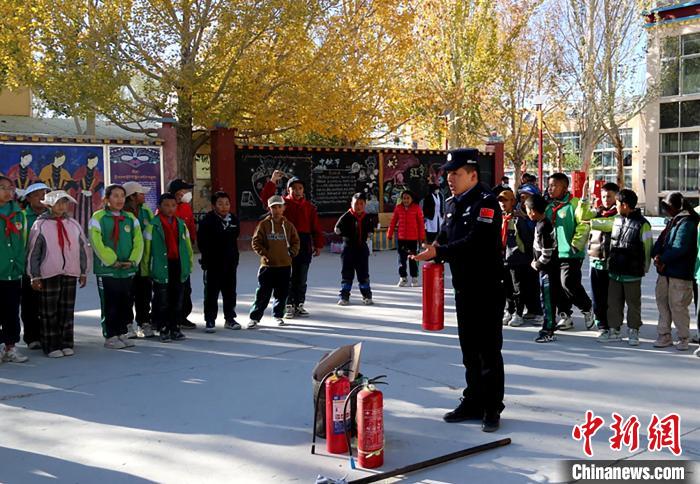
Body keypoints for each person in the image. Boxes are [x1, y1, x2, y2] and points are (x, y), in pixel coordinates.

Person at [412, 148, 505, 432]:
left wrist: (440, 251)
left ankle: (491, 407)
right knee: (469, 349)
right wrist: (433, 250)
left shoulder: (487, 203)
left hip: (487, 288)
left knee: (488, 351)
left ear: (473, 175)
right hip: (464, 288)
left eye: (456, 173)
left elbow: (475, 242)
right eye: (448, 173)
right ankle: (473, 400)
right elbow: (445, 235)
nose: (450, 178)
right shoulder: (453, 204)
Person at [27, 190, 90, 357]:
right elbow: (34, 252)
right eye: (58, 202)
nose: (62, 206)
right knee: (49, 311)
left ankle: (66, 342)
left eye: (65, 202)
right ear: (48, 205)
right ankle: (51, 345)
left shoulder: (73, 224)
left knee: (66, 309)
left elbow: (82, 248)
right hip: (49, 273)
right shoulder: (40, 225)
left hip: (70, 272)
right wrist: (34, 275)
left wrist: (83, 271)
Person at [260, 172, 324, 319]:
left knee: (301, 277)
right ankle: (287, 305)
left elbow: (316, 227)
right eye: (293, 188)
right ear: (288, 190)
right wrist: (273, 181)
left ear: (304, 190)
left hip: (304, 243)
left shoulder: (309, 207)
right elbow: (266, 200)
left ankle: (299, 304)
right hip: (285, 243)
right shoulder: (283, 205)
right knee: (286, 276)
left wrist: (318, 244)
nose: (297, 191)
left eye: (300, 188)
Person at [89, 184, 144, 350]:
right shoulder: (98, 218)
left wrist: (133, 260)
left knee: (125, 301)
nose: (119, 199)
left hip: (127, 269)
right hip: (108, 270)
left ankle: (122, 332)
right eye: (115, 196)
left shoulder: (130, 218)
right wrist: (112, 260)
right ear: (106, 199)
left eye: (122, 196)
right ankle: (110, 335)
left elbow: (138, 241)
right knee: (110, 302)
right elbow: (96, 242)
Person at [601, 189, 653, 346]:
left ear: (624, 205)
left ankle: (633, 330)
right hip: (615, 270)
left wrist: (644, 267)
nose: (615, 206)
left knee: (633, 304)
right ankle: (614, 330)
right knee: (613, 302)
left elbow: (648, 248)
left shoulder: (643, 224)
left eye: (617, 204)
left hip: (633, 272)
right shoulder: (616, 220)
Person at [545, 173, 593, 330]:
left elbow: (584, 224)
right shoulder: (549, 206)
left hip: (571, 253)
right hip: (553, 252)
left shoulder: (574, 204)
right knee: (557, 285)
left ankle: (587, 308)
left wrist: (576, 245)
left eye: (554, 186)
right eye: (549, 185)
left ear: (564, 188)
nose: (550, 189)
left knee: (569, 283)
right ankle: (565, 315)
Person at [651, 192, 698, 351]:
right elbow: (660, 242)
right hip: (665, 273)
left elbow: (680, 248)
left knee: (678, 306)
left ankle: (683, 337)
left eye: (668, 208)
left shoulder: (688, 222)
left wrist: (663, 259)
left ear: (676, 207)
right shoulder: (673, 221)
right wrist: (656, 255)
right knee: (662, 303)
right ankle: (664, 334)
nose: (666, 211)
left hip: (680, 274)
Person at [144, 193, 192, 342]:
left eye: (173, 205)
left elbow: (188, 247)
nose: (170, 208)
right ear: (159, 207)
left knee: (177, 299)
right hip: (161, 266)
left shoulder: (181, 224)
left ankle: (175, 327)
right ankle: (163, 328)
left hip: (178, 265)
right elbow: (146, 250)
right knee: (162, 300)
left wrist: (188, 265)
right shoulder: (152, 226)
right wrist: (146, 269)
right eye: (166, 205)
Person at [248, 195, 300, 328]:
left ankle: (278, 315)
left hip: (284, 265)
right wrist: (265, 254)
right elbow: (255, 242)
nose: (276, 210)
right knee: (262, 293)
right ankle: (254, 318)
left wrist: (292, 253)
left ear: (284, 208)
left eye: (279, 207)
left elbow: (296, 241)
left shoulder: (288, 226)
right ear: (269, 208)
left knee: (281, 294)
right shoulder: (264, 225)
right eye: (273, 207)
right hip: (268, 266)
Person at [197, 191, 240, 333]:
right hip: (213, 263)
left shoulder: (233, 219)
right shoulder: (207, 221)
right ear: (214, 205)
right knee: (211, 293)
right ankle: (210, 319)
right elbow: (202, 242)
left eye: (227, 203)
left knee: (230, 292)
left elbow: (235, 238)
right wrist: (206, 260)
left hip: (230, 263)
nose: (224, 207)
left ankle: (230, 318)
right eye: (220, 204)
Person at [0, 176, 29, 363]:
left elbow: (24, 241)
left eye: (10, 188)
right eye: (2, 188)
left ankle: (11, 347)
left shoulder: (19, 214)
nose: (8, 191)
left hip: (13, 272)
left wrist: (19, 264)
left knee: (11, 311)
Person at [584, 182, 619, 336]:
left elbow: (610, 225)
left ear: (617, 197)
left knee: (612, 297)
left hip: (613, 263)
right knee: (597, 296)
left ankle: (613, 324)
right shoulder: (597, 212)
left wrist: (592, 223)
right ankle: (601, 324)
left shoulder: (620, 214)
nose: (606, 200)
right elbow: (582, 216)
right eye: (603, 196)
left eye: (609, 196)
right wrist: (584, 198)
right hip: (595, 261)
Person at [498, 189, 536, 328]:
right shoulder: (500, 218)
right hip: (503, 259)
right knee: (506, 287)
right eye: (501, 201)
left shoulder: (519, 219)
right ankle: (509, 310)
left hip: (517, 259)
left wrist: (526, 256)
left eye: (506, 201)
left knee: (517, 287)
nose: (503, 204)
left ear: (513, 202)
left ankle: (518, 313)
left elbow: (527, 239)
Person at [525, 194, 559, 343]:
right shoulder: (540, 223)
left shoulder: (544, 226)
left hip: (548, 270)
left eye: (526, 209)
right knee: (546, 298)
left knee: (547, 300)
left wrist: (537, 264)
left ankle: (548, 330)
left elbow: (547, 252)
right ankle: (549, 324)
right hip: (544, 269)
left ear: (532, 211)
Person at [123, 181, 155, 338]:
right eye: (141, 193)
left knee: (144, 294)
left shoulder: (146, 211)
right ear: (132, 197)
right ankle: (127, 325)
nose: (144, 195)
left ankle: (144, 323)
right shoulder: (122, 214)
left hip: (144, 262)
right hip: (127, 262)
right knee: (127, 295)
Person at [20, 182, 50, 350]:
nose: (42, 197)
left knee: (48, 303)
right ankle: (32, 337)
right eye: (37, 194)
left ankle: (48, 335)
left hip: (50, 267)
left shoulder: (52, 215)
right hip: (29, 269)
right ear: (29, 198)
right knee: (30, 304)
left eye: (44, 194)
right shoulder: (23, 216)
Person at [334, 193, 376, 306]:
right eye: (356, 203)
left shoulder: (367, 217)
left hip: (362, 249)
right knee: (347, 274)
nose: (358, 206)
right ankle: (344, 296)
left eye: (361, 204)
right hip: (348, 249)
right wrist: (342, 233)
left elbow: (371, 228)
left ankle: (367, 295)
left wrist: (370, 233)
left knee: (363, 274)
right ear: (351, 204)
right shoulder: (346, 216)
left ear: (365, 205)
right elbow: (337, 228)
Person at [167, 178, 197, 329]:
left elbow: (191, 224)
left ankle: (183, 316)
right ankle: (168, 319)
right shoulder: (167, 206)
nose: (186, 193)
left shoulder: (186, 207)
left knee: (186, 287)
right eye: (183, 191)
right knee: (171, 289)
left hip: (185, 253)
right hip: (170, 254)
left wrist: (192, 241)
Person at [387, 189, 425, 287]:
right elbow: (393, 222)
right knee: (401, 259)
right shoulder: (398, 208)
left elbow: (421, 224)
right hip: (401, 238)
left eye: (408, 198)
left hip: (413, 238)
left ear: (412, 199)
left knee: (413, 258)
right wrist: (389, 233)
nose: (406, 200)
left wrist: (422, 237)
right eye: (404, 198)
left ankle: (414, 277)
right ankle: (403, 277)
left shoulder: (417, 208)